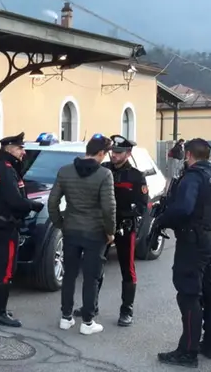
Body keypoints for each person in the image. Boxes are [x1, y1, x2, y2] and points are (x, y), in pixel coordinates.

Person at [154, 138, 211, 367]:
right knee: (210, 293)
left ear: (188, 155)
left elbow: (183, 208)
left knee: (189, 295)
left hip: (193, 243)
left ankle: (188, 351)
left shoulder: (193, 177)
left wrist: (161, 220)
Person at [72, 135, 148, 326]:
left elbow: (142, 206)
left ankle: (127, 310)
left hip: (124, 228)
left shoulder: (136, 176)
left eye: (119, 153)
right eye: (113, 151)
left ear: (128, 154)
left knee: (127, 270)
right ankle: (91, 306)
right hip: (101, 226)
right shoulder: (102, 169)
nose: (114, 155)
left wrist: (123, 215)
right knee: (94, 267)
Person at [47, 134, 116, 335]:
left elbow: (52, 202)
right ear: (101, 153)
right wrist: (110, 231)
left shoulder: (65, 171)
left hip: (71, 230)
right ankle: (87, 322)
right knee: (91, 277)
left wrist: (60, 223)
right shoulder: (104, 174)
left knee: (69, 274)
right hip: (95, 233)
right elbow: (109, 207)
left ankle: (66, 317)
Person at [0, 132, 45, 328]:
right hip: (6, 226)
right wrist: (33, 206)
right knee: (6, 269)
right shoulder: (6, 169)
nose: (23, 152)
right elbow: (14, 200)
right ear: (10, 149)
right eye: (20, 148)